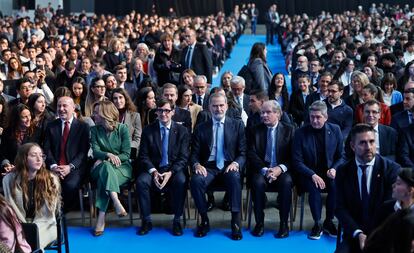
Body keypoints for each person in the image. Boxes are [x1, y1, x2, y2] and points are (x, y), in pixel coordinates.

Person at [335, 124, 400, 253]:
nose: (369, 147)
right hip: (354, 234)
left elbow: (390, 208)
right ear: (353, 146)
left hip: (382, 235)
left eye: (371, 142)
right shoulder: (343, 171)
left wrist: (372, 236)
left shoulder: (391, 170)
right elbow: (339, 208)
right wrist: (358, 233)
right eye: (363, 143)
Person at [190, 93, 246, 240]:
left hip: (229, 165)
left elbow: (243, 152)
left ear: (226, 106)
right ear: (209, 107)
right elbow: (194, 154)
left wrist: (236, 163)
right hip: (208, 167)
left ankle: (235, 222)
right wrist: (196, 164)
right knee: (195, 181)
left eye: (221, 105)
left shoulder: (237, 125)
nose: (218, 108)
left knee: (235, 178)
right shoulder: (201, 128)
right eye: (214, 106)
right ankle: (204, 220)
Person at [136, 98, 190, 236]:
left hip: (173, 169)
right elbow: (143, 155)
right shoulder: (148, 130)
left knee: (181, 181)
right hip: (153, 168)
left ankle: (177, 220)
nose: (163, 114)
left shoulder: (182, 131)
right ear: (156, 112)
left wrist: (170, 173)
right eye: (160, 110)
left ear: (173, 112)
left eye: (166, 110)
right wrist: (154, 172)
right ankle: (146, 220)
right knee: (141, 182)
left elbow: (183, 158)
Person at [292, 100, 344, 240]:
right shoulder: (300, 133)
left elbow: (342, 156)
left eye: (318, 117)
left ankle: (329, 221)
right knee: (314, 186)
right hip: (307, 173)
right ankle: (317, 223)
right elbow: (297, 161)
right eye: (312, 117)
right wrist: (312, 174)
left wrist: (334, 168)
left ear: (326, 117)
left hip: (328, 172)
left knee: (335, 185)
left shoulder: (335, 130)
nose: (314, 120)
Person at [248, 100, 294, 238]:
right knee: (257, 183)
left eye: (268, 112)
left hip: (282, 170)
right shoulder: (255, 130)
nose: (264, 115)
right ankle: (259, 223)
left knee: (286, 183)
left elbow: (294, 156)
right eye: (262, 112)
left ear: (278, 114)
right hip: (262, 169)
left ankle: (284, 224)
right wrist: (265, 170)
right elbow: (251, 153)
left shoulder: (290, 130)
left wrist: (279, 168)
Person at [2, 143, 61, 249]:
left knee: (33, 240)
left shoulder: (51, 179)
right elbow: (10, 208)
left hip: (45, 225)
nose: (39, 159)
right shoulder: (9, 180)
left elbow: (50, 213)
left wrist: (30, 229)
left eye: (41, 155)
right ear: (24, 158)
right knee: (9, 241)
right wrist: (22, 226)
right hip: (18, 223)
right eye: (34, 155)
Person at [90, 100, 132, 236]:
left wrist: (106, 159)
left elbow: (126, 154)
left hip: (122, 168)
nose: (93, 115)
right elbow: (95, 151)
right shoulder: (94, 130)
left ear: (105, 114)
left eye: (96, 113)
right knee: (106, 168)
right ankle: (116, 201)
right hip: (101, 167)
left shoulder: (123, 129)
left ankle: (101, 218)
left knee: (105, 175)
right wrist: (107, 154)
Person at [43, 96, 90, 213]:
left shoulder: (83, 127)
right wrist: (54, 166)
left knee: (70, 186)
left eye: (65, 106)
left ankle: (61, 213)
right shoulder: (51, 126)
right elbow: (47, 149)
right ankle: (51, 213)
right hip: (54, 167)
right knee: (45, 184)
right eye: (59, 106)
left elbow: (83, 152)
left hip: (74, 168)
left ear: (73, 108)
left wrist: (69, 167)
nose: (61, 109)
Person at [0, 104, 41, 175]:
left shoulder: (37, 132)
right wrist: (6, 164)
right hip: (12, 171)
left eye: (29, 115)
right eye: (24, 117)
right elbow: (3, 152)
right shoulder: (8, 132)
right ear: (17, 118)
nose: (28, 119)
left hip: (30, 170)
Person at [111, 88, 142, 159]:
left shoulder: (135, 116)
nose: (118, 101)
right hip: (112, 152)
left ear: (125, 99)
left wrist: (125, 147)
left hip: (130, 152)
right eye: (115, 98)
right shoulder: (109, 116)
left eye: (120, 97)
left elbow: (137, 138)